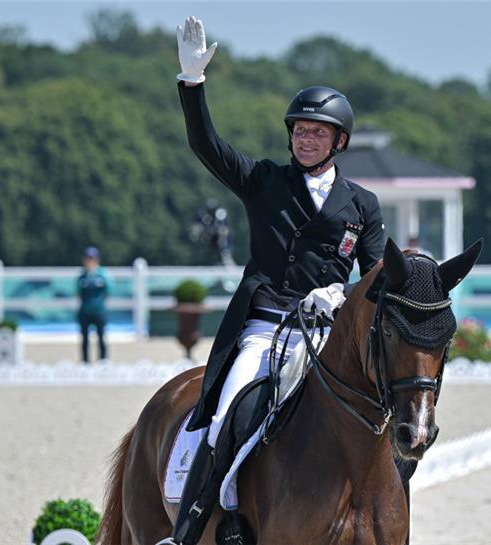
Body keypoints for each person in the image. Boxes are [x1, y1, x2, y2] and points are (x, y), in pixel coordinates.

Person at [171, 16, 386, 545]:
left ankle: (383, 513)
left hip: (328, 336)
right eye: (300, 130)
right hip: (266, 329)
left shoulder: (362, 204)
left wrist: (346, 296)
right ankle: (198, 524)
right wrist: (192, 84)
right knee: (228, 414)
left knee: (383, 420)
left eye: (317, 132)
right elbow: (208, 146)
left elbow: (376, 277)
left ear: (339, 141)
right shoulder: (264, 181)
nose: (306, 139)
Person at [77, 246, 112, 363]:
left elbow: (109, 292)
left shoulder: (103, 275)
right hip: (85, 311)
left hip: (99, 310)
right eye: (88, 258)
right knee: (84, 338)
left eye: (92, 258)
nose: (90, 260)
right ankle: (85, 361)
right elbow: (78, 294)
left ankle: (103, 360)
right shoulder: (82, 276)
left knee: (101, 336)